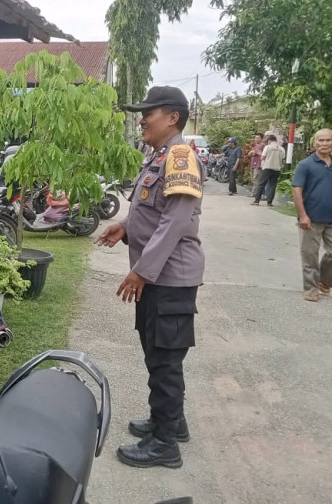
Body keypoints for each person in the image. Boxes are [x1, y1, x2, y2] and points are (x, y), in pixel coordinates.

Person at [96, 85, 204, 469]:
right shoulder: (160, 154)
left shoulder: (179, 156)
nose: (141, 118)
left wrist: (141, 271)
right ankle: (170, 424)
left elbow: (175, 222)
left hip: (168, 277)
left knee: (164, 360)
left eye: (149, 112)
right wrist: (124, 227)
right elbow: (153, 211)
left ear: (172, 117)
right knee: (157, 354)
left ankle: (165, 445)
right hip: (160, 278)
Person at [292, 129, 332, 302]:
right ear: (315, 143)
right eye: (321, 140)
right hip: (310, 218)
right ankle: (310, 289)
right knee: (309, 254)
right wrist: (302, 215)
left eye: (328, 140)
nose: (324, 143)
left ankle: (324, 282)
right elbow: (297, 190)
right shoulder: (305, 165)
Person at [251, 135, 286, 207]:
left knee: (261, 184)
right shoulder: (281, 149)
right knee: (272, 185)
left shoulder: (267, 147)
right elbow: (283, 158)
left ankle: (256, 201)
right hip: (276, 169)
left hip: (267, 167)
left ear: (269, 140)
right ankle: (269, 202)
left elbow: (263, 157)